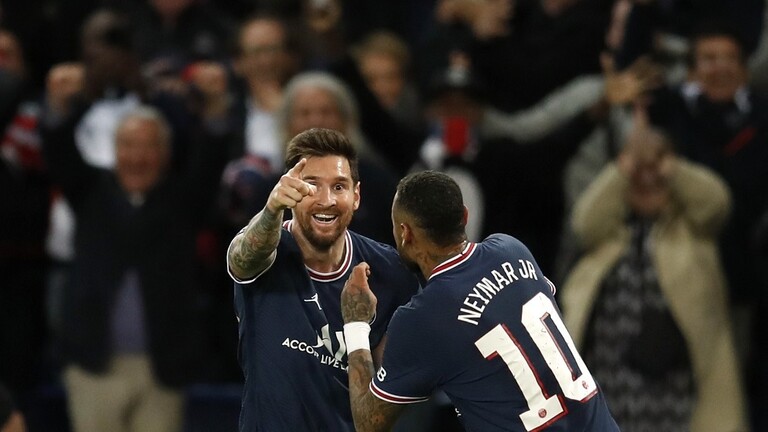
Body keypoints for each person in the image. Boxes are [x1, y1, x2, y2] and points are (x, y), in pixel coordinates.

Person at [340, 170, 620, 431]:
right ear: (464, 215)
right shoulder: (512, 249)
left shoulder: (421, 318)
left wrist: (356, 322)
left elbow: (368, 422)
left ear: (405, 233)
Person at [41, 103, 232, 432]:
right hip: (93, 367)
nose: (138, 157)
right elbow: (59, 149)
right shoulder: (90, 192)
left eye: (149, 146)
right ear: (114, 150)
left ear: (166, 154)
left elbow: (211, 160)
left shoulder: (183, 201)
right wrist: (59, 108)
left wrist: (215, 112)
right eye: (128, 145)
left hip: (163, 370)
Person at [226, 127, 420, 431]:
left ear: (356, 196)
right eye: (311, 185)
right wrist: (271, 209)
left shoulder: (391, 273)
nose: (326, 200)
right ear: (290, 191)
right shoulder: (266, 250)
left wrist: (358, 328)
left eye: (339, 186)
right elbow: (243, 259)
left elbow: (386, 401)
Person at [561, 121, 748, 431]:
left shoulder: (692, 229)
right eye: (638, 172)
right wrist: (624, 167)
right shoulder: (608, 234)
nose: (647, 179)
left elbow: (717, 201)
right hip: (609, 379)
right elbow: (583, 223)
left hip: (677, 387)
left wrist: (671, 167)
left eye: (656, 171)